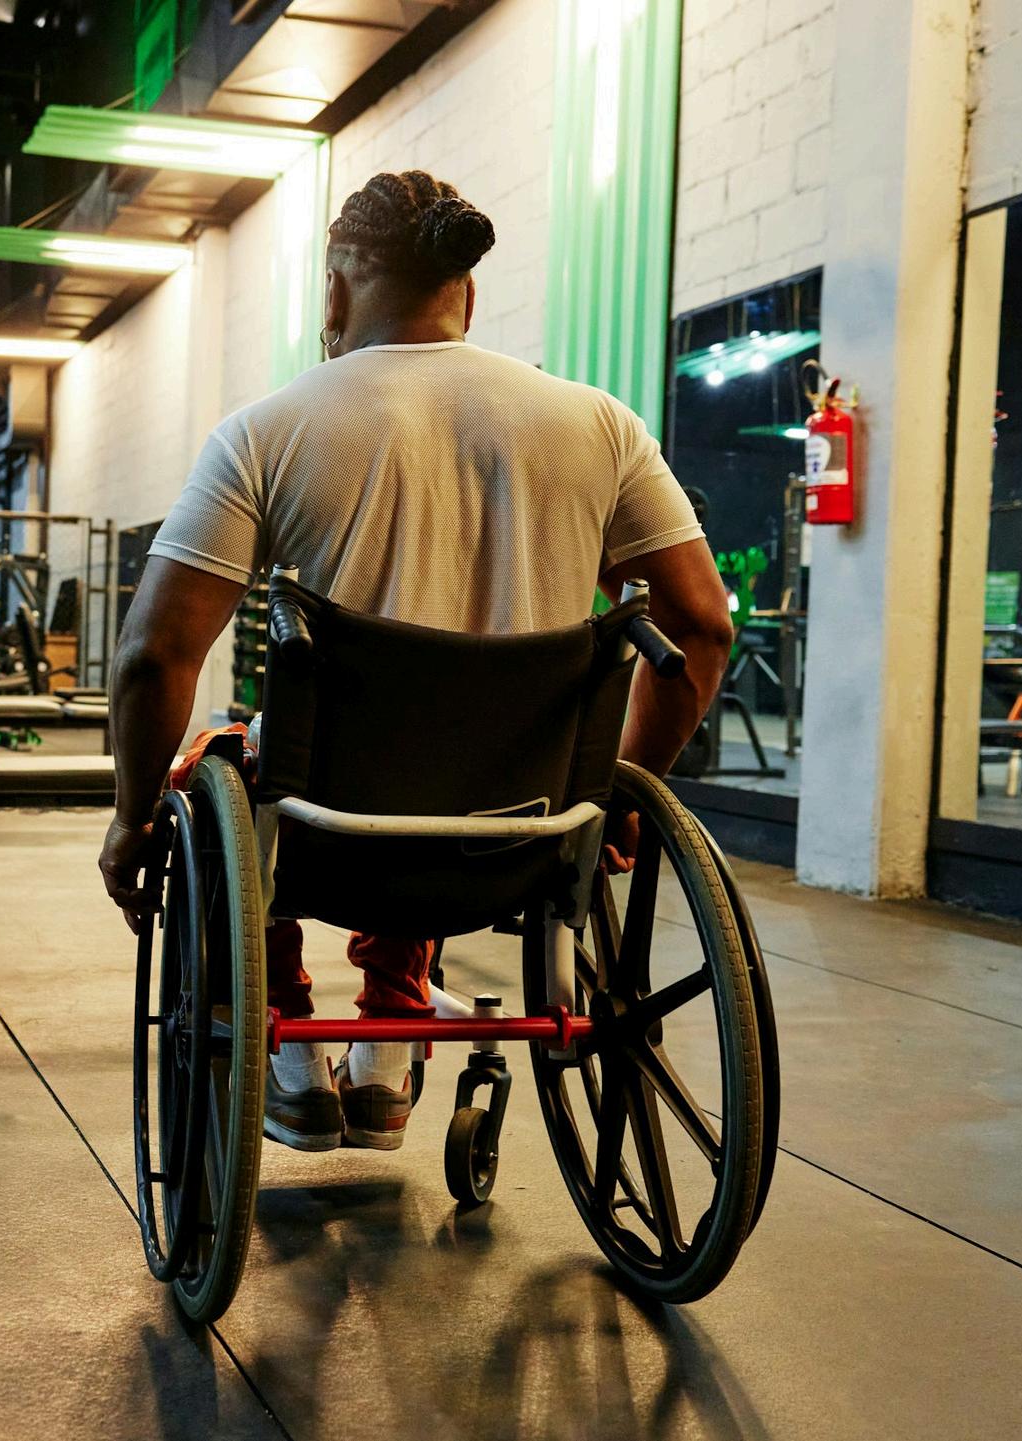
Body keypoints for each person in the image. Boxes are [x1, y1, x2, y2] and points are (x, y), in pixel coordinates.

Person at [96, 170, 732, 1155]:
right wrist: (618, 795)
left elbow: (154, 655)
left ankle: (288, 1042)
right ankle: (389, 1043)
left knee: (215, 767)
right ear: (465, 292)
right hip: (522, 834)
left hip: (326, 838)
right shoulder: (600, 425)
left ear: (337, 289)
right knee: (436, 758)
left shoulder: (267, 431)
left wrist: (133, 818)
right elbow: (702, 626)